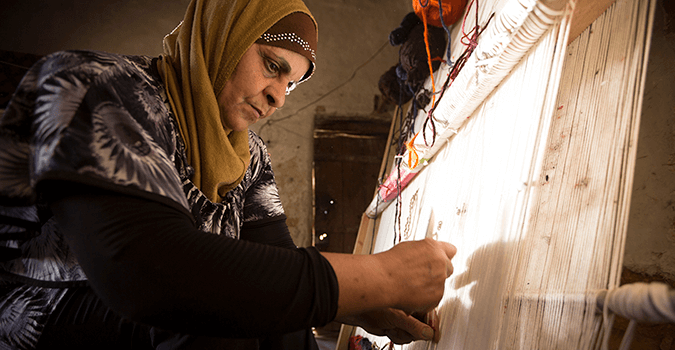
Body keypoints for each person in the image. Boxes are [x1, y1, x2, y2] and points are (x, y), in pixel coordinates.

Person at [0, 0, 457, 348]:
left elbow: (274, 265)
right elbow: (146, 273)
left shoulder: (249, 156)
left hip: (154, 316)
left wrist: (360, 304)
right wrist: (375, 277)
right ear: (226, 37)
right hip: (36, 319)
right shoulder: (95, 87)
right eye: (272, 66)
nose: (278, 96)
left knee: (271, 314)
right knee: (218, 320)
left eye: (292, 82)